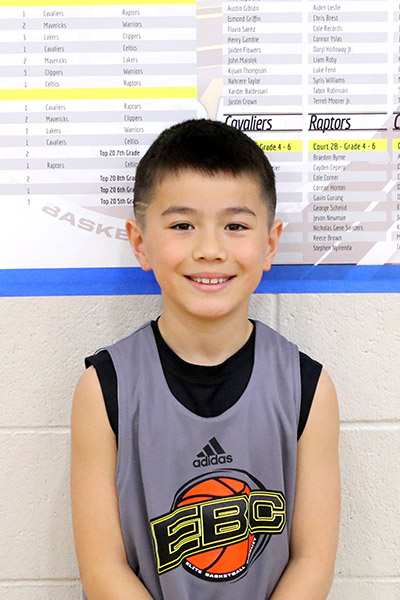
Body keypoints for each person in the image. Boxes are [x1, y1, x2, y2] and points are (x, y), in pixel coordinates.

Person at [71, 119, 340, 600]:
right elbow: (103, 571)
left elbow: (313, 561)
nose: (210, 250)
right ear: (140, 243)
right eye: (182, 225)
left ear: (270, 244)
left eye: (235, 226)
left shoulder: (307, 388)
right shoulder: (104, 389)